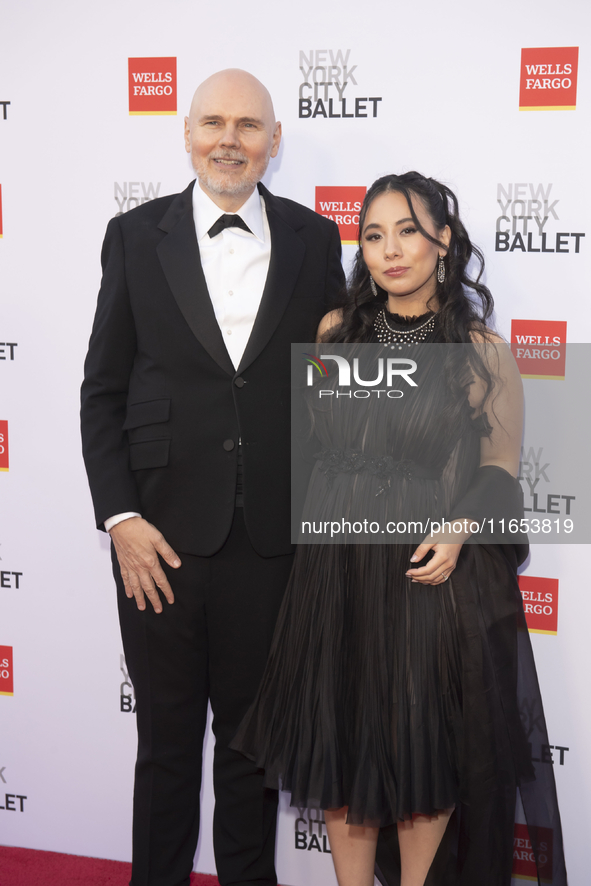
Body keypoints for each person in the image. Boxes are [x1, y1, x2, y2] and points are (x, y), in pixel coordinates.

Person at [231, 172, 567, 886]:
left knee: (422, 752)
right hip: (337, 573)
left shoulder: (481, 352)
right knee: (343, 747)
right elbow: (311, 453)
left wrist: (456, 530)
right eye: (374, 234)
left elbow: (501, 469)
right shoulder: (332, 334)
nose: (389, 250)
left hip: (425, 573)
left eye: (408, 231)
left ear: (442, 241)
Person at [80, 69, 345, 886]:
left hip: (273, 542)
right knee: (163, 750)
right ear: (187, 133)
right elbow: (103, 390)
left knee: (250, 752)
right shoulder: (133, 235)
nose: (230, 138)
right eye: (213, 122)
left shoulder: (314, 238)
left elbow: (337, 382)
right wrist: (120, 518)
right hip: (157, 542)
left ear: (273, 141)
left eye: (248, 124)